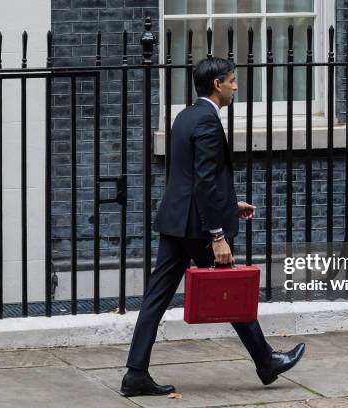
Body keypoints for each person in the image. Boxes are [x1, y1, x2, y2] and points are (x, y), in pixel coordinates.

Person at [120, 57, 305, 397]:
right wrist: (218, 235)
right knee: (232, 291)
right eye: (232, 80)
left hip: (176, 221)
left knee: (155, 299)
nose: (236, 86)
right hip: (197, 229)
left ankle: (135, 373)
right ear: (217, 85)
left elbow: (190, 177)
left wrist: (231, 204)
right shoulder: (207, 121)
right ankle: (266, 361)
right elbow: (204, 180)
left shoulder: (185, 116)